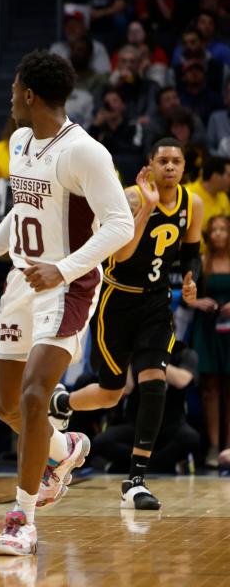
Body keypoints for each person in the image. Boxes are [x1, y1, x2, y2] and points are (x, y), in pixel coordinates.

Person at [0, 50, 133, 556]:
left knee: (36, 396)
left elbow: (120, 223)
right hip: (22, 279)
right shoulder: (18, 142)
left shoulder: (86, 152)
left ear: (29, 94)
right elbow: (22, 210)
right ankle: (67, 447)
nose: (11, 98)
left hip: (68, 284)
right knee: (6, 404)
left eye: (15, 90)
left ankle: (22, 520)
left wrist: (66, 267)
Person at [49, 139, 203, 509]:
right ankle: (64, 402)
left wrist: (190, 278)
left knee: (154, 384)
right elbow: (120, 253)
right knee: (111, 391)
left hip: (155, 303)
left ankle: (135, 480)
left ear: (184, 167)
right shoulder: (130, 197)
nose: (169, 167)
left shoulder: (191, 203)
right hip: (117, 300)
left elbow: (192, 252)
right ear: (149, 164)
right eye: (162, 160)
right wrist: (147, 208)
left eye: (175, 161)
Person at [89, 343, 201, 474]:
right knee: (101, 442)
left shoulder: (184, 353)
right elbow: (127, 388)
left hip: (171, 425)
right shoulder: (137, 354)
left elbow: (182, 380)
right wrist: (131, 358)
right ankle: (151, 465)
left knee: (191, 439)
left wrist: (155, 359)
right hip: (137, 425)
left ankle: (140, 465)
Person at [188, 215, 230, 467]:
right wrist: (196, 302)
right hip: (208, 328)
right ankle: (213, 446)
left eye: (223, 229)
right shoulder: (203, 262)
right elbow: (187, 293)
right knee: (210, 389)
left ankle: (228, 445)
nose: (217, 234)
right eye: (213, 229)